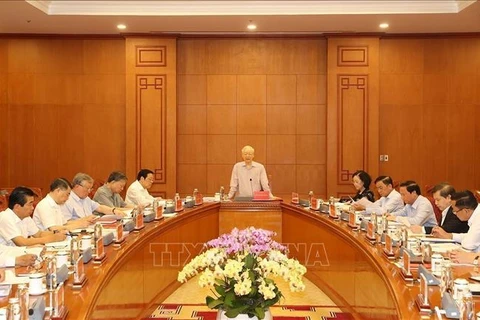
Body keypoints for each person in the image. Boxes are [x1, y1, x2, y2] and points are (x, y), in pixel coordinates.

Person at [0, 187, 66, 246]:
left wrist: (56, 233)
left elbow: (39, 234)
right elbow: (21, 242)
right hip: (6, 257)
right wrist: (51, 239)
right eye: (30, 204)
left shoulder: (25, 217)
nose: (32, 208)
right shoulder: (5, 217)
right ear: (17, 207)